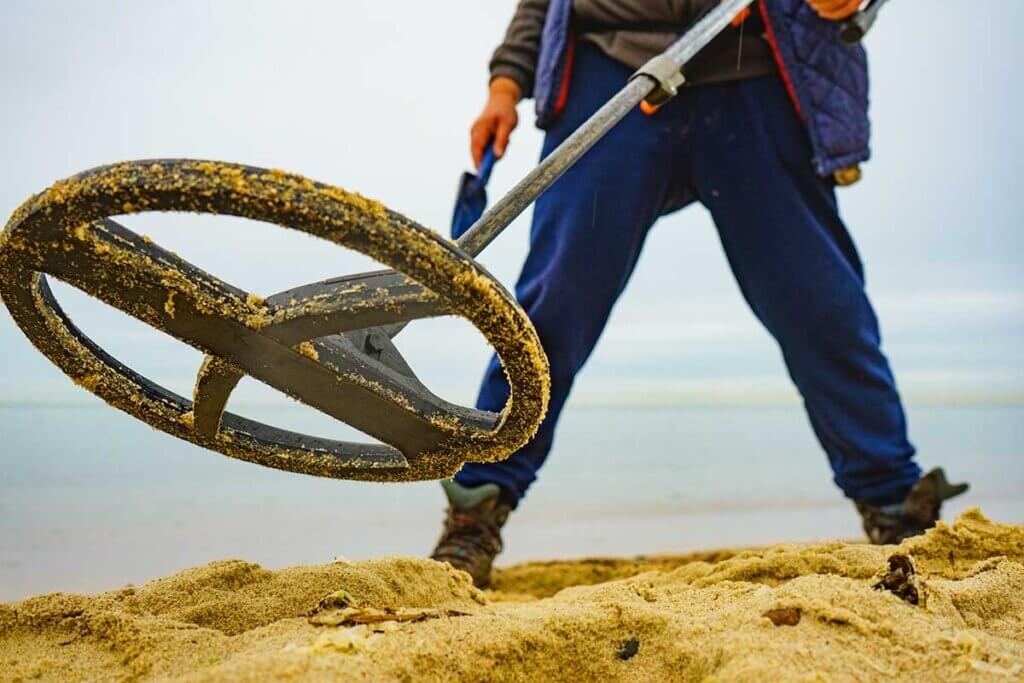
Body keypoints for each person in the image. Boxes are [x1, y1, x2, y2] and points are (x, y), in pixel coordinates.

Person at [431, 0, 967, 587]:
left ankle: (895, 506)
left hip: (755, 73)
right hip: (609, 71)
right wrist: (506, 86)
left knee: (822, 304)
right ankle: (476, 510)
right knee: (554, 304)